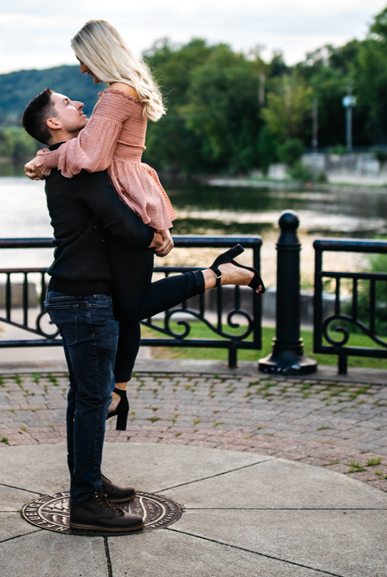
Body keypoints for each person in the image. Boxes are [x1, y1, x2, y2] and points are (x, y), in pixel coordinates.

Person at [21, 87, 257, 533]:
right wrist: (156, 236)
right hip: (85, 299)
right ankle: (86, 505)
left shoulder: (69, 162)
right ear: (53, 123)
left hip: (79, 296)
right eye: (68, 104)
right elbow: (122, 223)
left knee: (84, 398)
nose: (79, 105)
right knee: (92, 400)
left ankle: (88, 482)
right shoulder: (81, 170)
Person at [26, 20, 263, 428]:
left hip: (122, 196)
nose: (83, 70)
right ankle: (117, 392)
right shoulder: (124, 92)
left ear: (98, 53)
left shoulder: (116, 97)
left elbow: (93, 157)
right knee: (124, 309)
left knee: (130, 305)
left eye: (83, 60)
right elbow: (91, 151)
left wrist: (48, 157)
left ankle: (217, 274)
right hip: (125, 193)